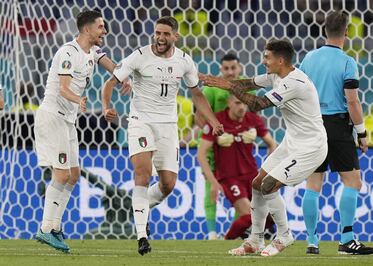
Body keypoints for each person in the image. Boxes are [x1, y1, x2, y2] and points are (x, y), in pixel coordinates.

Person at [101, 16, 223, 256]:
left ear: (175, 36)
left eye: (166, 34)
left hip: (168, 126)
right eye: (157, 32)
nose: (160, 37)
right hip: (140, 122)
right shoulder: (139, 56)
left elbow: (197, 94)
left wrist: (213, 120)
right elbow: (109, 83)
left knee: (168, 184)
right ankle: (141, 235)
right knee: (142, 174)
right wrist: (106, 106)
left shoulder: (184, 61)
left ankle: (142, 209)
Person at [200, 39, 328, 257]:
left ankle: (284, 234)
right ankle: (255, 239)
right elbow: (246, 84)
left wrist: (229, 86)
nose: (263, 60)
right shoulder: (275, 76)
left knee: (269, 185)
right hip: (292, 141)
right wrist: (222, 82)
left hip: (311, 146)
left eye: (267, 57)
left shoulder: (294, 82)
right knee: (257, 184)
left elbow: (258, 105)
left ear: (280, 60)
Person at [34, 10, 129, 253]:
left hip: (67, 120)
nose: (104, 31)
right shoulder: (68, 52)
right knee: (62, 175)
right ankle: (45, 229)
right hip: (53, 117)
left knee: (74, 175)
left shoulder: (93, 51)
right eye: (100, 27)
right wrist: (80, 100)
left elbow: (111, 65)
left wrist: (123, 78)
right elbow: (64, 89)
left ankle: (54, 226)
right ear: (87, 29)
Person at [299, 11, 373, 255]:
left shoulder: (308, 59)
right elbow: (352, 102)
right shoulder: (347, 61)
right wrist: (362, 133)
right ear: (347, 32)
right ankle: (347, 239)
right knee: (352, 180)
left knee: (313, 183)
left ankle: (312, 241)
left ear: (324, 30)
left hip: (312, 125)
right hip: (337, 125)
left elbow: (298, 94)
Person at [198, 94, 277, 240]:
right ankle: (227, 241)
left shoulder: (253, 119)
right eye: (238, 103)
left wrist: (268, 171)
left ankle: (254, 235)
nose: (242, 107)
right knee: (250, 214)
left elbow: (272, 144)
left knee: (271, 214)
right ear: (229, 102)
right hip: (229, 178)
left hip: (253, 176)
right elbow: (201, 154)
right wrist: (213, 183)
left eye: (244, 104)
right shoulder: (217, 121)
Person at [195, 53, 246, 240]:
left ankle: (236, 230)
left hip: (236, 147)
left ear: (240, 68)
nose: (230, 72)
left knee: (241, 187)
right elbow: (199, 117)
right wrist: (214, 135)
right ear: (220, 69)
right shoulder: (211, 90)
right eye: (226, 68)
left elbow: (251, 117)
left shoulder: (246, 88)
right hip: (215, 145)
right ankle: (212, 233)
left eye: (233, 68)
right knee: (211, 184)